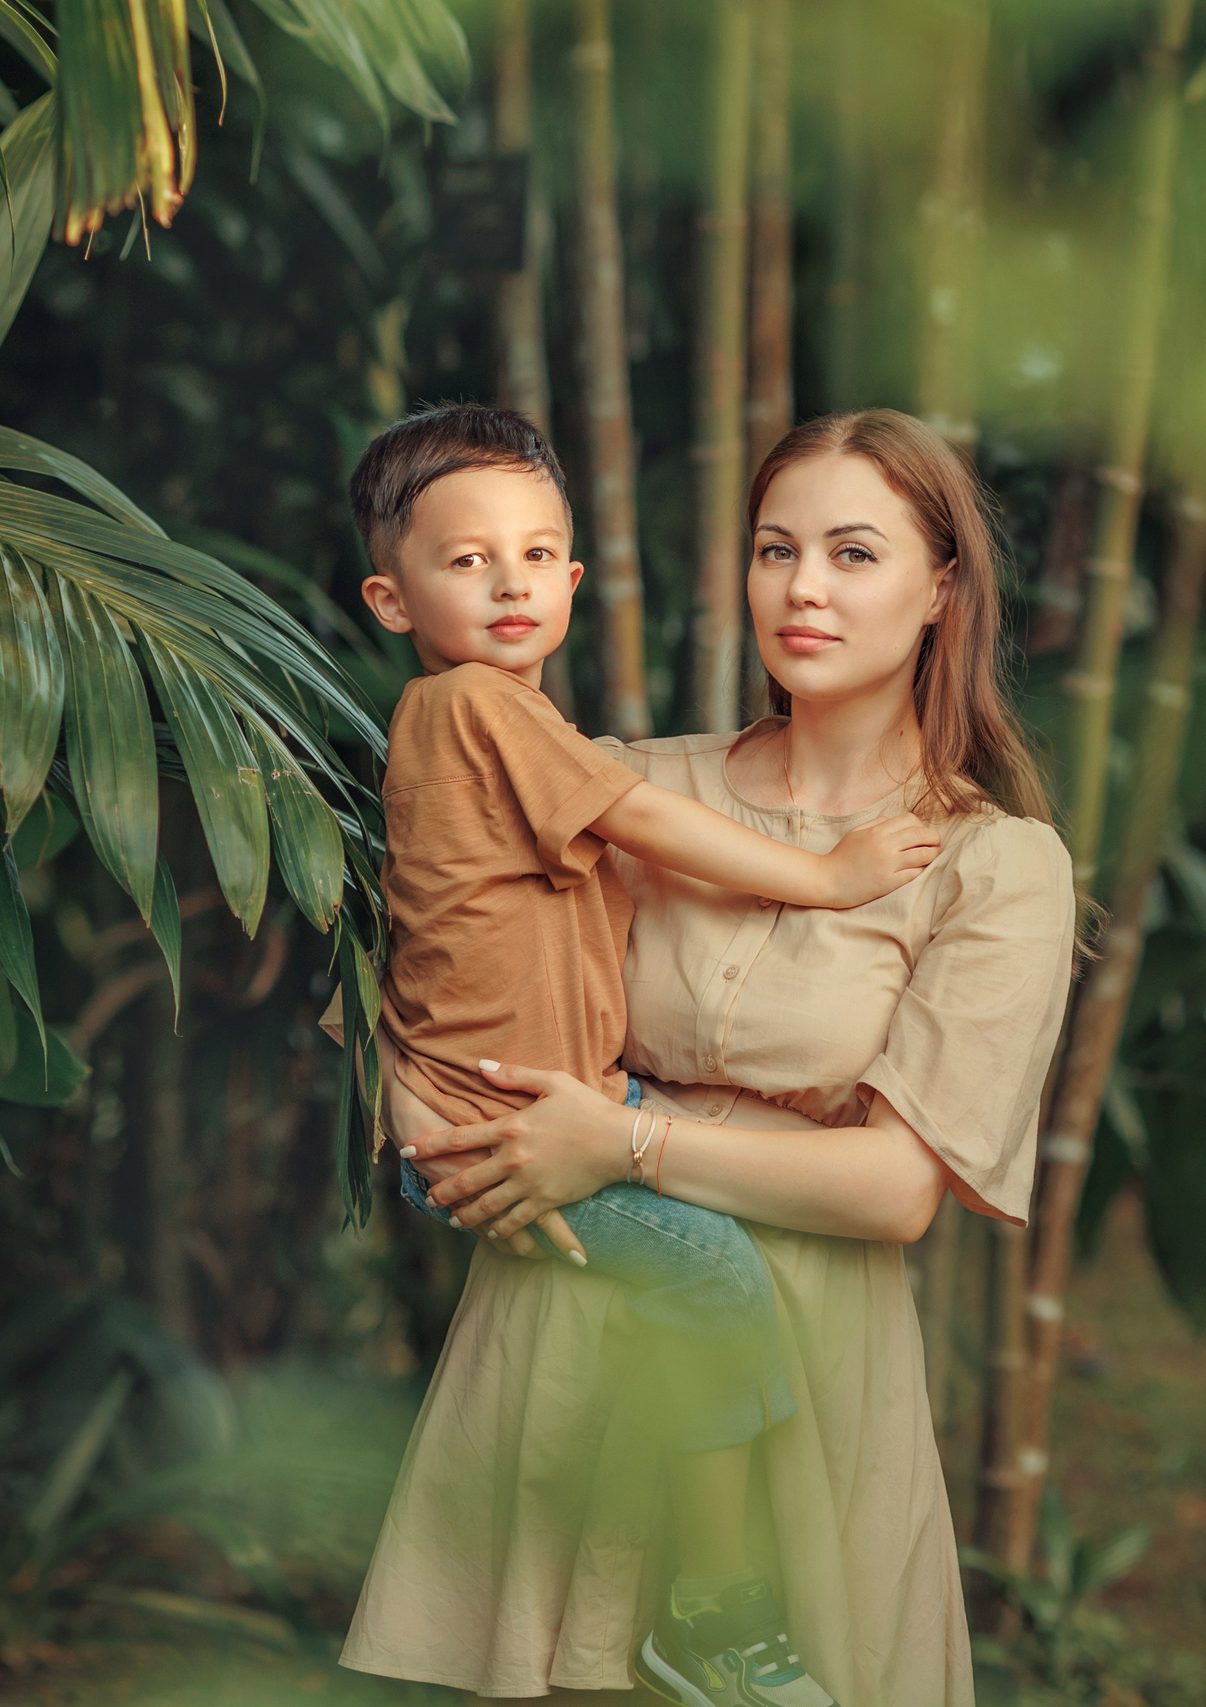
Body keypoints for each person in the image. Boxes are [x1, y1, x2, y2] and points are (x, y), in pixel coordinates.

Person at [341, 409, 1076, 1707]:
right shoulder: (624, 783)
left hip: (806, 1355)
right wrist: (433, 1122)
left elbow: (900, 1191)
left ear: (941, 590)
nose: (802, 589)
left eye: (854, 554)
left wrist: (619, 1142)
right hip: (561, 1316)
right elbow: (422, 957)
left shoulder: (991, 863)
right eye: (774, 548)